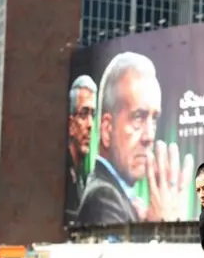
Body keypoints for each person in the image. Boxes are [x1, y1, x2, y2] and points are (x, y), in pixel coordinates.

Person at [76, 52, 194, 225]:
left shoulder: (121, 198)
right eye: (138, 117)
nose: (149, 136)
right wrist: (165, 226)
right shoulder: (103, 199)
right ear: (107, 130)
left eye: (153, 119)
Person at [65, 75, 97, 223]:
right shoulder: (61, 177)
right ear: (71, 124)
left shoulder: (82, 179)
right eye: (84, 114)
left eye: (93, 115)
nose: (90, 124)